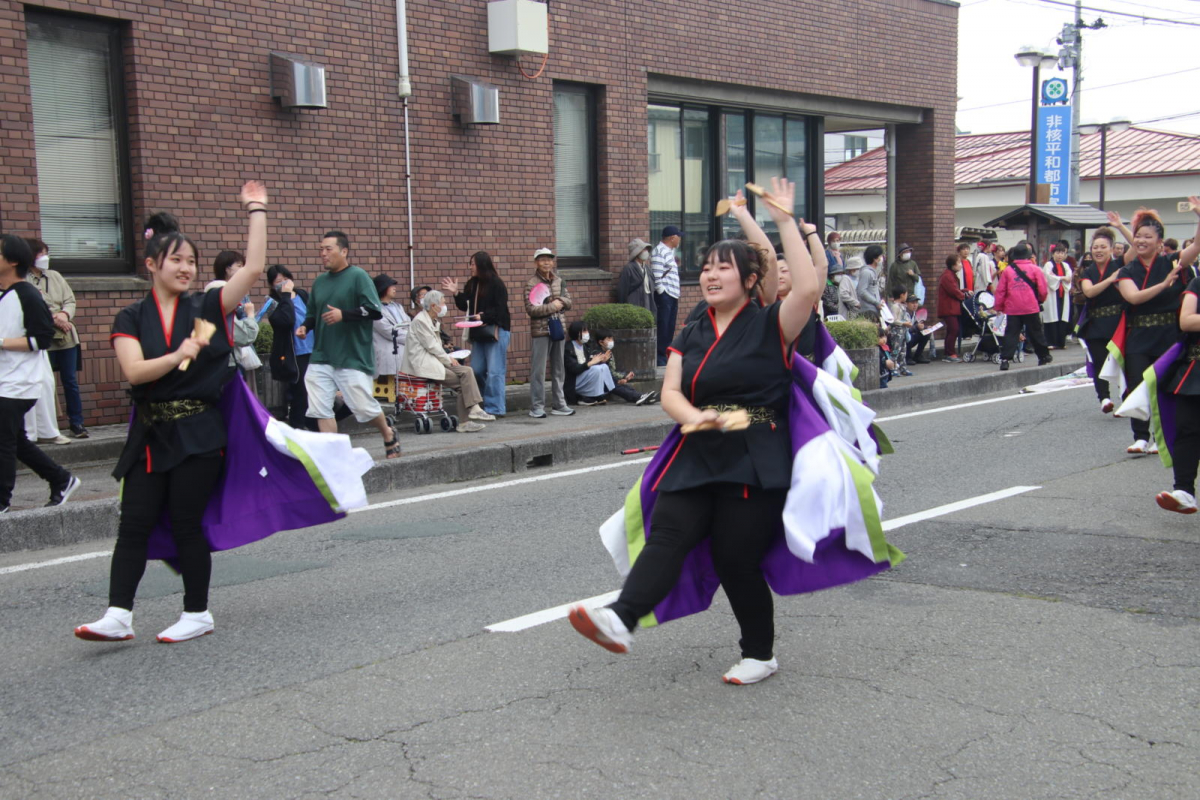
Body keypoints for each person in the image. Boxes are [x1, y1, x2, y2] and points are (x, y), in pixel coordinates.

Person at [568, 177, 826, 684]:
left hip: (754, 450)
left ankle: (759, 653)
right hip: (699, 445)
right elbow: (671, 391)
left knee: (736, 559)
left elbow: (810, 283)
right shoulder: (691, 328)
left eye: (724, 267)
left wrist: (782, 220)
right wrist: (691, 417)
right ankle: (621, 619)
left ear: (751, 280)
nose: (710, 274)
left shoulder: (774, 322)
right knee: (667, 533)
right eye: (706, 267)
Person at [76, 185, 266, 642]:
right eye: (176, 259)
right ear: (151, 264)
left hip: (200, 433)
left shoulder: (206, 306)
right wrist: (179, 352)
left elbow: (255, 267)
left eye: (191, 261)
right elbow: (136, 372)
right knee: (134, 524)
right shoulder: (129, 317)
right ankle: (119, 615)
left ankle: (197, 613)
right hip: (149, 434)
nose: (186, 268)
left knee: (186, 523)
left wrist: (256, 209)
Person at [295, 231, 399, 459]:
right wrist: (305, 326)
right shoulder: (320, 282)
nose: (323, 254)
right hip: (322, 355)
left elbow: (374, 310)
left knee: (363, 406)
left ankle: (387, 432)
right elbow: (313, 313)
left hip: (351, 355)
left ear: (344, 251)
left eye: (328, 249)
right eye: (321, 249)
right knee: (320, 407)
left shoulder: (358, 276)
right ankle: (335, 457)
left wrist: (345, 315)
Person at [0, 234, 80, 513]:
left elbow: (42, 339)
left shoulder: (27, 295)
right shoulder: (6, 294)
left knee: (5, 442)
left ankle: (2, 500)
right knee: (17, 441)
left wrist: (1, 343)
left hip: (19, 383)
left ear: (12, 261)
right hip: (7, 380)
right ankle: (62, 479)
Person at [1110, 208, 1200, 454]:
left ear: (1160, 243)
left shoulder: (1173, 262)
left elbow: (1196, 247)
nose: (1141, 240)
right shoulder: (1127, 270)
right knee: (1137, 384)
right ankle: (1140, 436)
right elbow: (1134, 298)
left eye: (1148, 237)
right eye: (1138, 236)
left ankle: (1162, 438)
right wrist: (1164, 284)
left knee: (1166, 387)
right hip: (1138, 336)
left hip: (1170, 335)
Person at [401, 290, 493, 433]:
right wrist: (449, 359)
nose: (445, 306)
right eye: (443, 303)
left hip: (435, 360)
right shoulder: (420, 321)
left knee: (467, 371)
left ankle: (473, 410)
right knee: (464, 382)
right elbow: (431, 346)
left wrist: (448, 356)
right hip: (424, 364)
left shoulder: (433, 320)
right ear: (433, 306)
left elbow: (435, 347)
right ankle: (467, 419)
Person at [25, 238, 86, 439]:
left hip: (66, 335)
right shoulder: (24, 280)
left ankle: (76, 423)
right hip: (44, 338)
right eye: (41, 254)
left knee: (70, 381)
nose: (45, 258)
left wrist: (65, 315)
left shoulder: (55, 276)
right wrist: (53, 318)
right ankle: (49, 428)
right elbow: (32, 307)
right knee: (44, 382)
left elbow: (70, 300)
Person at [444, 251, 511, 416]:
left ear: (481, 264)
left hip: (496, 331)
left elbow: (501, 310)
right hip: (479, 333)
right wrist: (456, 293)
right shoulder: (472, 284)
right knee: (477, 370)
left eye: (472, 263)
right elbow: (464, 306)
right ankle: (480, 403)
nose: (470, 267)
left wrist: (484, 316)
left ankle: (495, 408)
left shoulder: (496, 284)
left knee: (495, 371)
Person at [257, 265, 318, 430]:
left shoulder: (303, 295)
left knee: (316, 392)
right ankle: (297, 427)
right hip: (295, 353)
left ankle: (313, 426)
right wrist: (285, 296)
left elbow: (314, 315)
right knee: (300, 393)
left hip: (313, 349)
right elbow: (287, 321)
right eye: (279, 281)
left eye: (286, 279)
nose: (284, 283)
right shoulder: (273, 303)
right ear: (271, 285)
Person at [1077, 228, 1124, 412]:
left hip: (1118, 322)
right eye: (1095, 247)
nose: (1098, 250)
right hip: (1096, 323)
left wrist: (1120, 225)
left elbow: (1136, 248)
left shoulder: (1120, 264)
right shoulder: (1087, 272)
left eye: (1103, 247)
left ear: (1111, 249)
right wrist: (1111, 280)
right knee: (1099, 361)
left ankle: (1126, 397)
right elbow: (1089, 292)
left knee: (1122, 362)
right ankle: (1104, 398)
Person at [525, 248, 574, 418]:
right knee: (538, 370)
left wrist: (561, 301)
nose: (546, 262)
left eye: (549, 259)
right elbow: (531, 309)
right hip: (540, 330)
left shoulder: (559, 281)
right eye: (542, 259)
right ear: (536, 263)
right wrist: (551, 307)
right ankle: (537, 406)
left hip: (558, 328)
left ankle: (559, 404)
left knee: (559, 368)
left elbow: (569, 301)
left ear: (553, 262)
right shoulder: (531, 283)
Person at [994, 243, 1052, 371]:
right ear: (1028, 255)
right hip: (1031, 307)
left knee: (1011, 334)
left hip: (1013, 308)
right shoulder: (1035, 269)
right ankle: (1043, 356)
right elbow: (1043, 289)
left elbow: (1001, 291)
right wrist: (1040, 300)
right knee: (1036, 332)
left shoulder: (1008, 270)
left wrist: (999, 306)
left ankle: (1005, 360)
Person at [206, 250, 260, 379]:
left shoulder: (211, 294)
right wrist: (250, 316)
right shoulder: (221, 295)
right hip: (226, 364)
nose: (244, 270)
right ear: (227, 269)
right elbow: (245, 335)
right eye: (240, 266)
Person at [588, 329, 657, 405]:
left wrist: (624, 377)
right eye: (608, 339)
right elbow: (599, 372)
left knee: (625, 387)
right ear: (601, 342)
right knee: (618, 387)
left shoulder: (608, 353)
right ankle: (638, 397)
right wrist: (617, 380)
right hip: (601, 384)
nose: (611, 341)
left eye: (612, 339)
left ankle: (642, 396)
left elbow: (612, 371)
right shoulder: (597, 354)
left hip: (610, 381)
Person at [651, 226, 682, 366]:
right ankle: (660, 357)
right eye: (678, 236)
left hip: (672, 295)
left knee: (669, 326)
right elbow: (656, 275)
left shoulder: (669, 251)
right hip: (665, 296)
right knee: (663, 326)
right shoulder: (659, 251)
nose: (680, 239)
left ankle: (665, 354)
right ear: (672, 238)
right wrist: (662, 292)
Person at [372, 274, 409, 384]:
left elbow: (409, 323)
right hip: (388, 346)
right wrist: (412, 337)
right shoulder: (375, 310)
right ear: (383, 288)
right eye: (391, 286)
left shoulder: (398, 306)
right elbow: (388, 331)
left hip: (404, 342)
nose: (394, 288)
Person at [617, 239, 658, 320]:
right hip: (635, 302)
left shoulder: (647, 268)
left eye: (646, 249)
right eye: (643, 249)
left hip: (648, 300)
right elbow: (622, 291)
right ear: (637, 253)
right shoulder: (628, 268)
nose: (646, 252)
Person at [1041, 244, 1072, 349]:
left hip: (1063, 293)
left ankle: (1061, 342)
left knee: (1062, 316)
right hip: (1052, 293)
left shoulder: (1066, 265)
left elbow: (1069, 277)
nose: (1060, 255)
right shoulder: (1048, 265)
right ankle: (1050, 342)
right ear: (1053, 253)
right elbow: (1049, 277)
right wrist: (1062, 278)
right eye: (1058, 253)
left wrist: (1060, 278)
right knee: (1052, 316)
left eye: (1062, 253)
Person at [937, 255, 966, 362]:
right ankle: (950, 353)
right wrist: (963, 295)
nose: (960, 265)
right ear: (953, 265)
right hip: (948, 308)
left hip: (951, 307)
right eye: (958, 263)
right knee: (954, 329)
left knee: (951, 330)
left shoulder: (950, 275)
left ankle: (948, 352)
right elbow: (953, 291)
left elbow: (956, 289)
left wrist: (964, 291)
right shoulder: (947, 276)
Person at [886, 286, 912, 376]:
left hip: (903, 331)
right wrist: (904, 323)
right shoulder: (895, 306)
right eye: (906, 294)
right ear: (902, 295)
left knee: (903, 350)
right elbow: (893, 320)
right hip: (897, 332)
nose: (906, 296)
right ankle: (892, 368)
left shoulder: (902, 306)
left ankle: (903, 368)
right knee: (896, 350)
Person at [856, 244, 884, 323]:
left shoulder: (873, 273)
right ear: (875, 258)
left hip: (874, 310)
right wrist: (876, 302)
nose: (882, 259)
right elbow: (862, 291)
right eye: (880, 256)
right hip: (868, 311)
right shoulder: (866, 273)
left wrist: (879, 301)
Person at [903, 295, 931, 364]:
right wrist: (917, 327)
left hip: (910, 335)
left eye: (916, 303)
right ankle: (907, 357)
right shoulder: (904, 313)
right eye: (912, 303)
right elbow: (906, 328)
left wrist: (925, 328)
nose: (915, 305)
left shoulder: (914, 313)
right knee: (909, 336)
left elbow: (916, 325)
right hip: (904, 336)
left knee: (926, 333)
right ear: (906, 304)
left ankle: (918, 356)